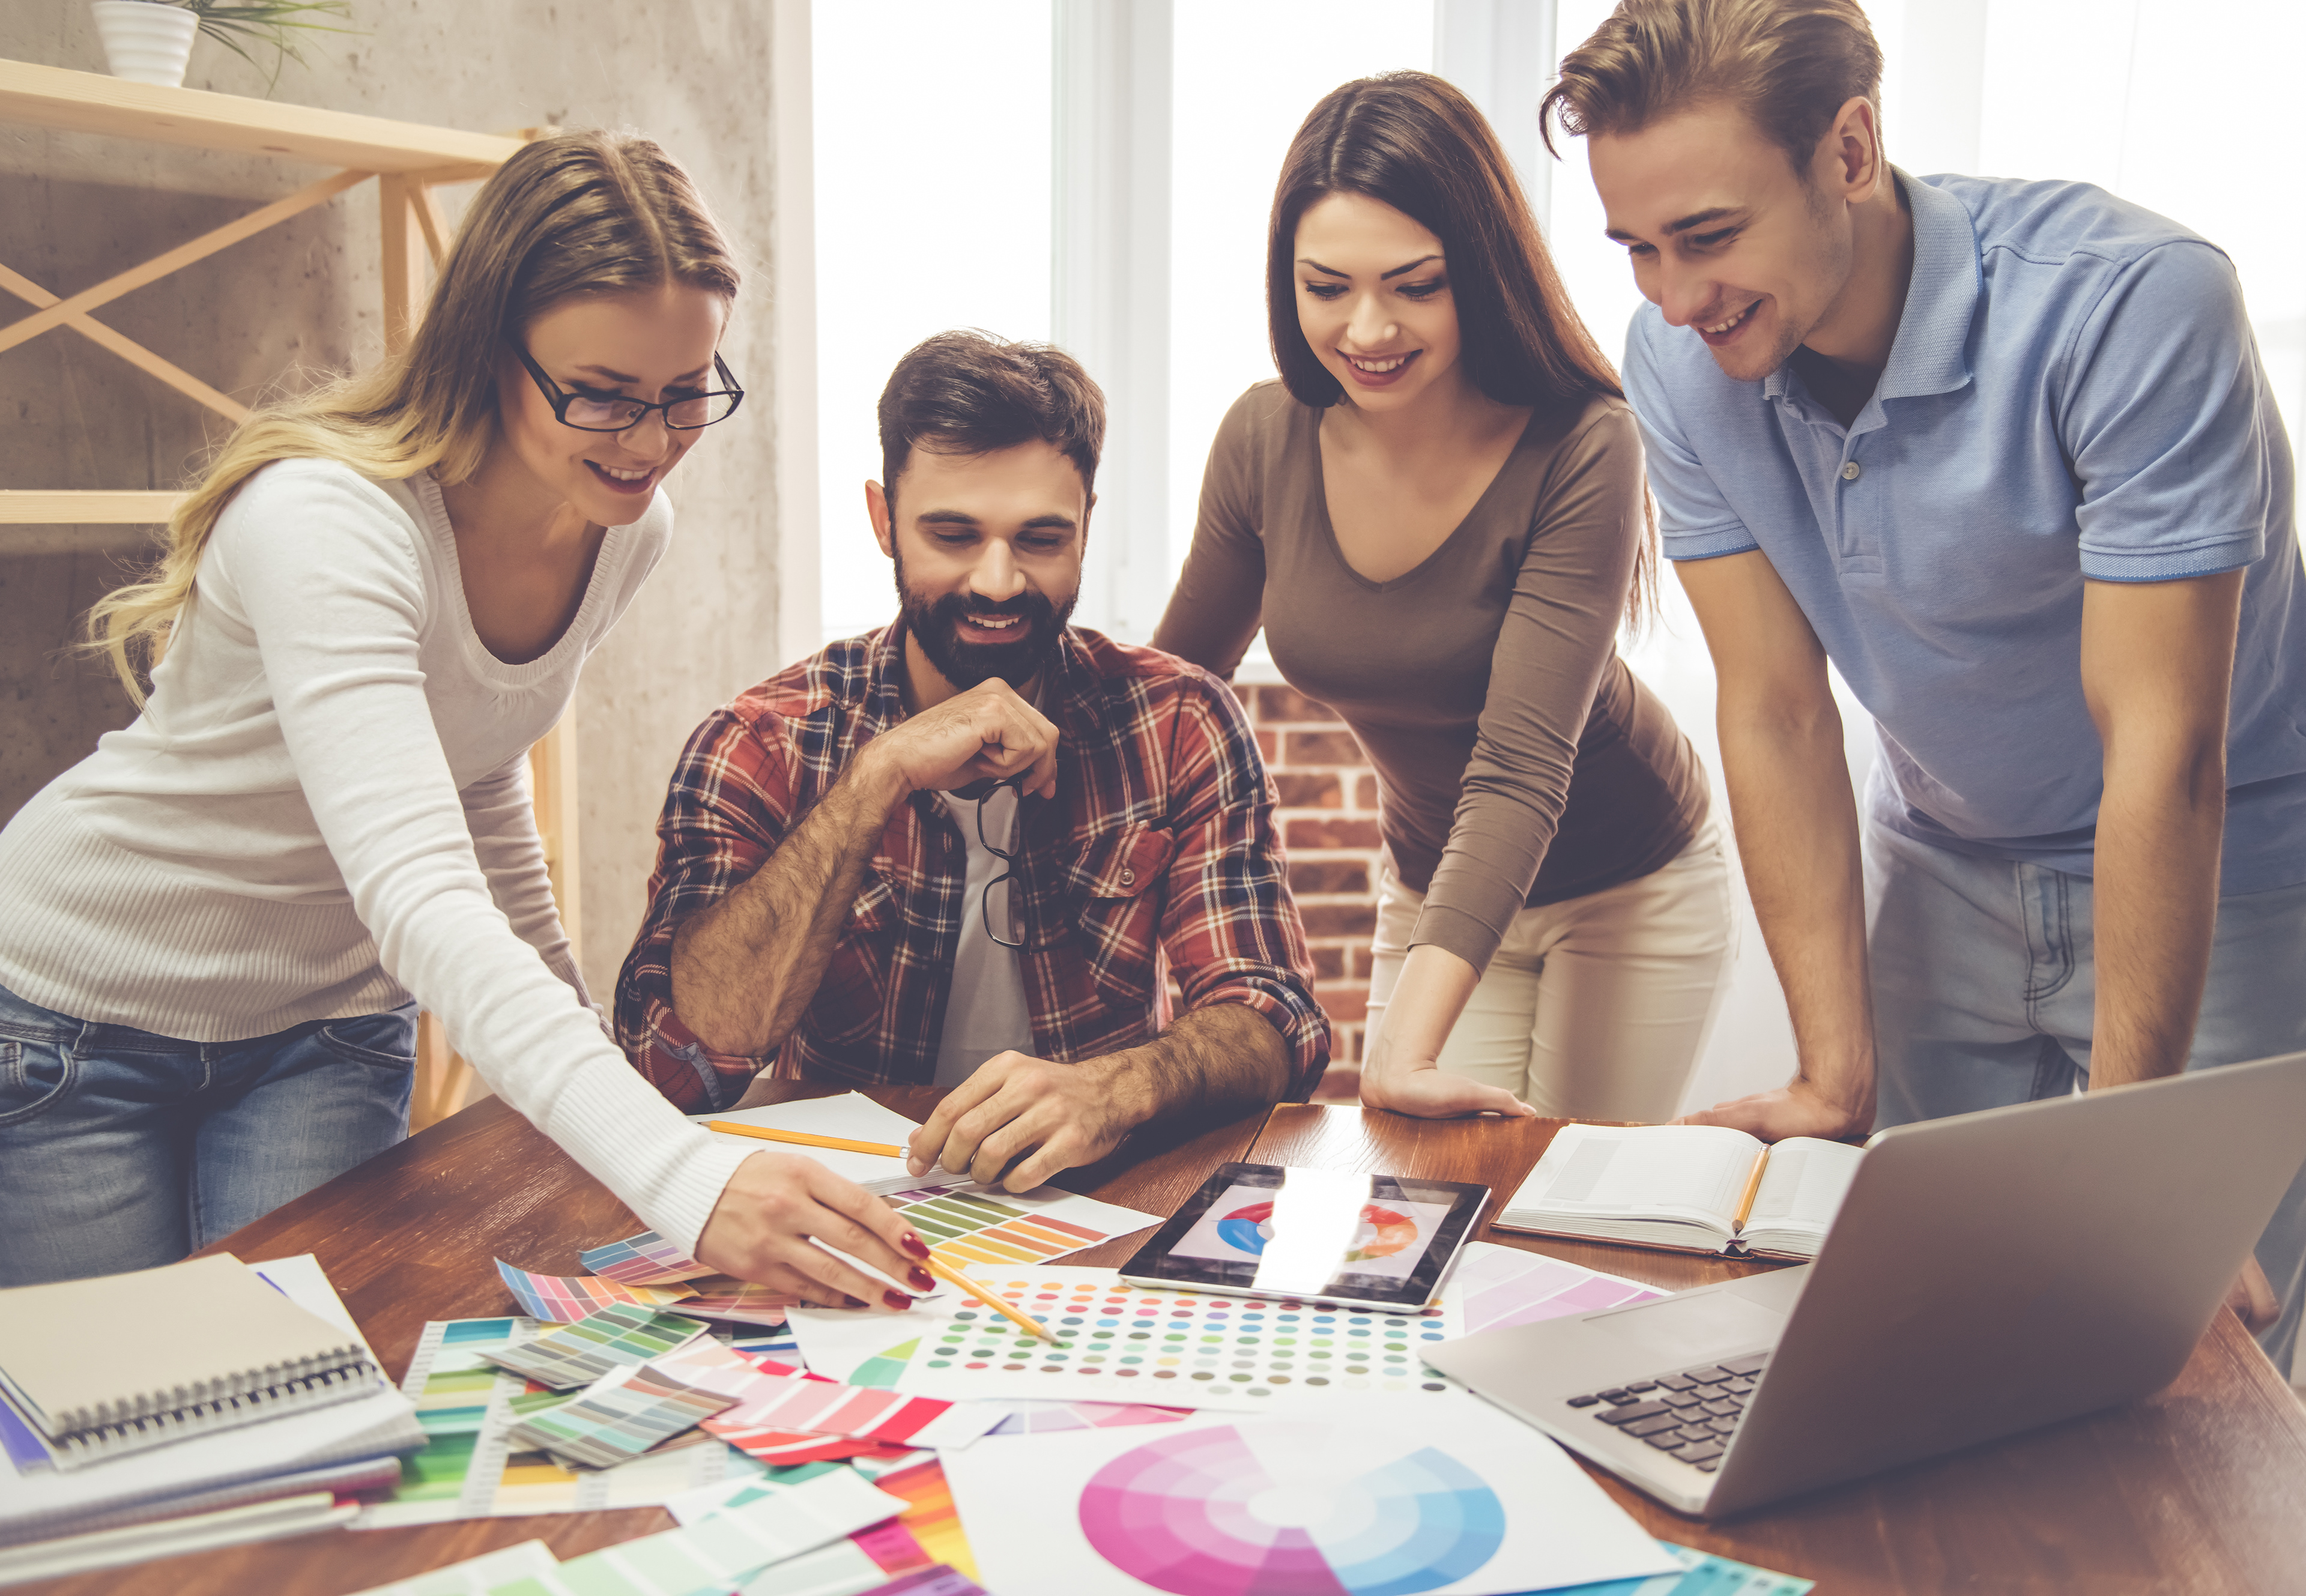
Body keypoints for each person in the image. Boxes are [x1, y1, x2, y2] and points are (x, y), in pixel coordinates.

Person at [0, 133, 935, 1312]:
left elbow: (479, 771)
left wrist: (601, 1088)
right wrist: (684, 1174)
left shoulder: (625, 528)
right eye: (600, 395)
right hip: (74, 1019)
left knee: (314, 1386)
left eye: (685, 394)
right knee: (111, 1422)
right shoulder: (329, 521)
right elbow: (423, 894)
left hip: (323, 1030)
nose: (649, 445)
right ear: (491, 351)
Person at [1549, 0, 2306, 1366]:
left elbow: (2163, 747)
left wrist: (2129, 1160)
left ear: (1850, 148)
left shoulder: (2134, 305)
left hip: (2229, 865)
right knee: (1930, 1330)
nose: (1670, 297)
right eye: (1637, 248)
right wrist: (1834, 1067)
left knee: (2185, 1342)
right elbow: (1775, 708)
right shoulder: (1677, 354)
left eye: (1709, 237)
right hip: (1945, 859)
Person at [615, 330, 1328, 1190]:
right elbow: (670, 1066)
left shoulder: (1178, 722)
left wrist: (1117, 1087)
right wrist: (877, 779)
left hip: (1104, 1195)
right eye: (953, 534)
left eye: (1039, 538)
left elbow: (1275, 1019)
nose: (997, 581)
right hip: (844, 1205)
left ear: (1087, 527)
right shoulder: (761, 743)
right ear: (883, 521)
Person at [1152, 72, 1728, 1125]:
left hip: (1626, 889)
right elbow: (1172, 700)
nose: (1367, 327)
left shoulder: (1585, 441)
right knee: (1424, 1206)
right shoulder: (1262, 439)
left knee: (1564, 1224)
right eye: (1327, 287)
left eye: (1414, 285)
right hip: (1434, 889)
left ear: (1481, 271)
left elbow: (1516, 765)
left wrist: (1396, 1054)